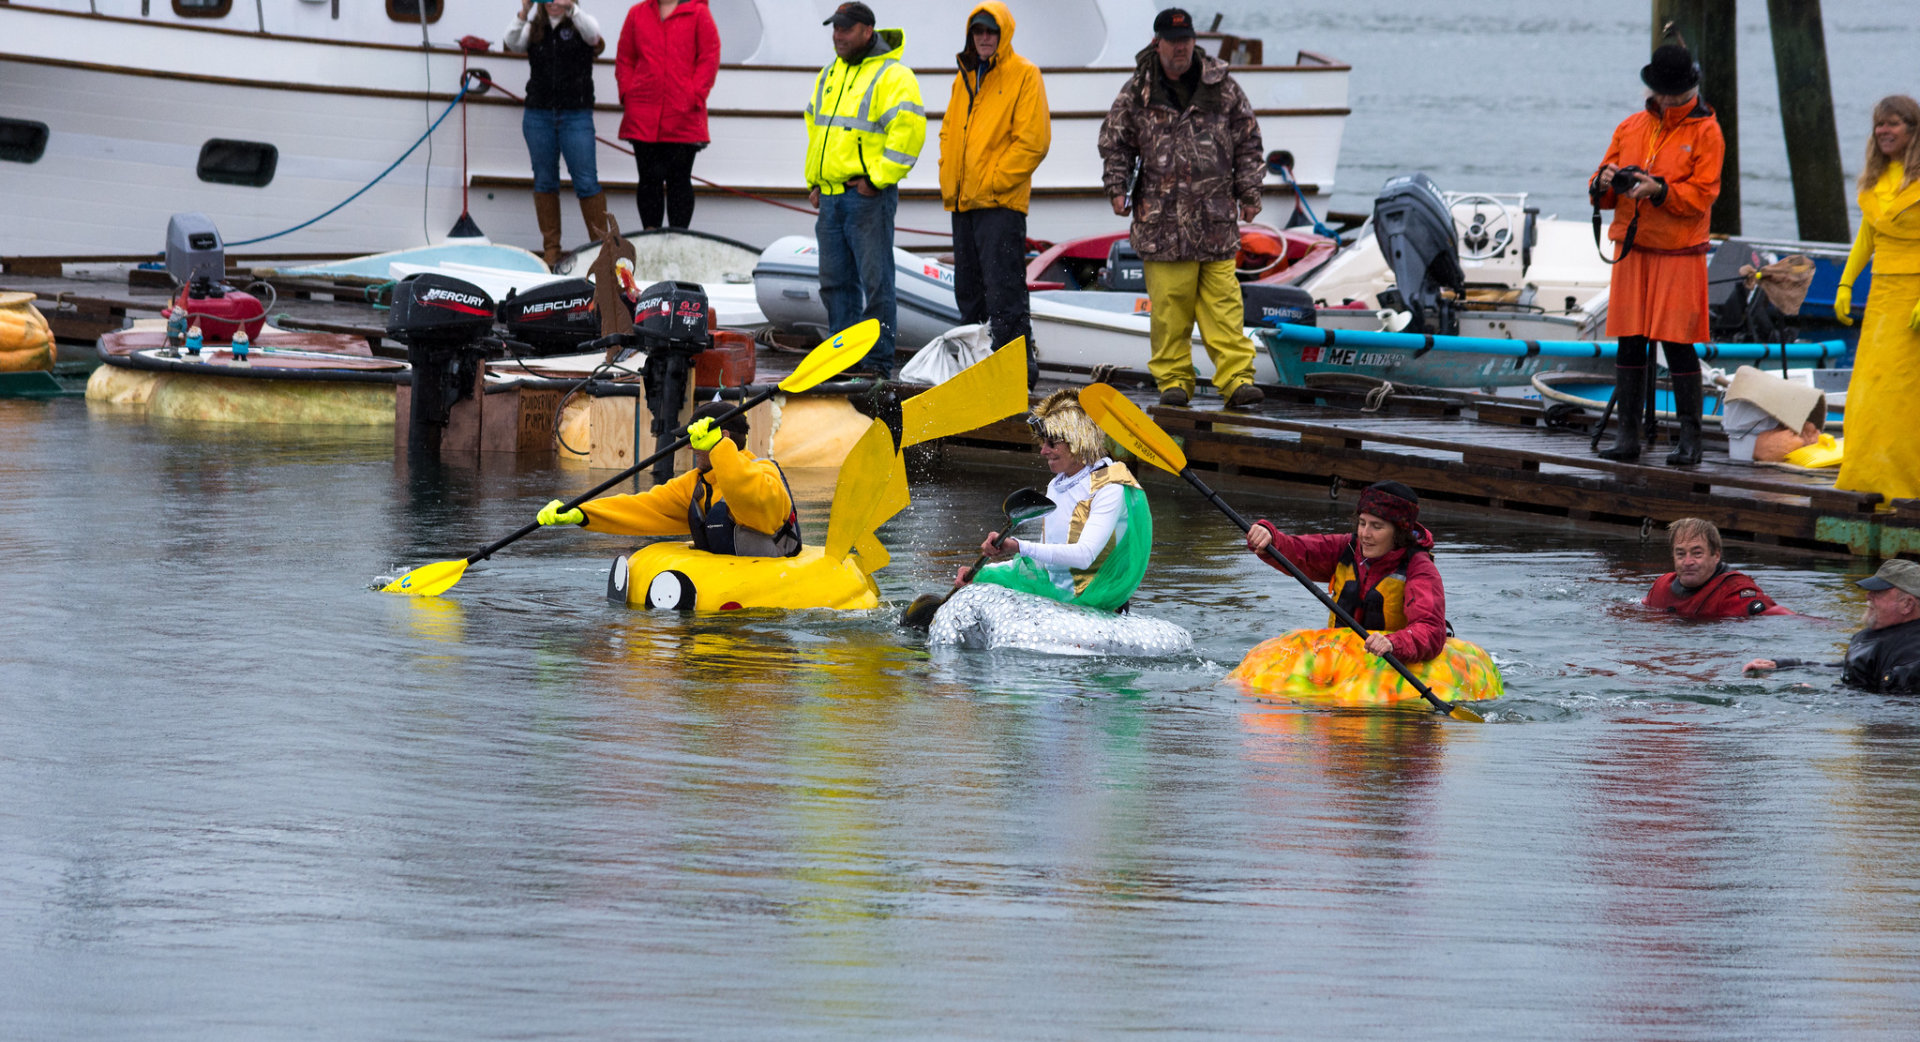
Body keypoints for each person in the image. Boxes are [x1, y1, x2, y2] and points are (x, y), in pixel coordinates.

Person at [1097, 7, 1266, 411]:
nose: (1181, 49)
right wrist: (1117, 188)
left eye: (1187, 41)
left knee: (1224, 307)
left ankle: (1237, 381)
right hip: (1162, 224)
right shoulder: (1136, 91)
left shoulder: (1223, 87)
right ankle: (1174, 382)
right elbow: (1115, 143)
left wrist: (1250, 194)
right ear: (1157, 44)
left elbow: (1248, 141)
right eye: (1173, 42)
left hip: (1216, 220)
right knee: (1170, 311)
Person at [1589, 42, 1725, 465]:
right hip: (1632, 247)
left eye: (1675, 92)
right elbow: (1600, 183)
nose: (1667, 99)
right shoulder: (1630, 126)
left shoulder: (1707, 132)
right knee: (1629, 340)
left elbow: (1703, 195)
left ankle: (1690, 439)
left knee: (1678, 342)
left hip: (1679, 252)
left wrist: (1660, 189)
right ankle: (1627, 434)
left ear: (1690, 88)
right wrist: (1604, 182)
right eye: (1663, 91)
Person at [804, 2, 927, 379]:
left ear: (867, 30)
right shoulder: (830, 74)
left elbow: (909, 133)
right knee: (835, 284)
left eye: (846, 29)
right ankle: (842, 359)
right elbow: (816, 125)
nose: (838, 36)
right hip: (833, 196)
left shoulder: (894, 75)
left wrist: (877, 179)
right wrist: (816, 181)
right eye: (835, 28)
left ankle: (876, 362)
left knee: (876, 284)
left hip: (866, 197)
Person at [938, 3, 1049, 387]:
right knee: (968, 291)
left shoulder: (1024, 74)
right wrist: (949, 177)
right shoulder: (963, 77)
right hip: (963, 202)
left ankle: (1017, 373)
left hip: (999, 204)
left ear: (1004, 35)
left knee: (1005, 291)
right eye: (978, 31)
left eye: (991, 31)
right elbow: (949, 132)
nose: (984, 38)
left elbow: (1033, 142)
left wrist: (992, 181)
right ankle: (975, 372)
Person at [960, 390, 1152, 611]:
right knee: (975, 583)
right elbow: (1046, 561)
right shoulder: (1057, 484)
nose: (1043, 451)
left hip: (1097, 600)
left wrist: (1018, 546)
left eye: (1052, 443)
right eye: (1043, 442)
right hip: (1054, 591)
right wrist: (979, 571)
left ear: (1078, 440)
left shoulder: (1110, 488)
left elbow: (1084, 556)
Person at [535, 402, 801, 558]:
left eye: (696, 441)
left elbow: (753, 504)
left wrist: (721, 448)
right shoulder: (696, 483)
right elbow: (642, 507)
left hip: (773, 571)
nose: (689, 447)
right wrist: (579, 513)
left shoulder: (764, 472)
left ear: (725, 439)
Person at [1244, 481, 1447, 662]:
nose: (1365, 534)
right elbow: (1298, 551)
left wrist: (1393, 643)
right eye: (1362, 523)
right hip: (1342, 658)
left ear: (1399, 533)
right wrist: (1269, 535)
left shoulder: (1420, 569)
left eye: (1377, 527)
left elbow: (1430, 628)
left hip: (1387, 659)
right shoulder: (1347, 548)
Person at [1833, 96, 1920, 503]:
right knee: (1869, 392)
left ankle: (1904, 486)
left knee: (1905, 395)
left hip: (1915, 296)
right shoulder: (1876, 176)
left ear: (1913, 129)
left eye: (1893, 124)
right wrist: (1846, 284)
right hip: (1882, 295)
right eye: (1878, 125)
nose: (1883, 131)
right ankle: (1866, 479)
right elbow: (1868, 236)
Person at [503, 0, 612, 271]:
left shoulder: (580, 23)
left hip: (576, 115)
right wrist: (524, 11)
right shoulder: (534, 28)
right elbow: (511, 41)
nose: (553, 2)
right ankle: (551, 250)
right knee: (544, 181)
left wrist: (571, 8)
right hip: (538, 115)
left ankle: (602, 249)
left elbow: (594, 35)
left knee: (586, 182)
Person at [614, 0, 720, 231]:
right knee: (648, 181)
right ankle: (650, 237)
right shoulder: (637, 14)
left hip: (684, 117)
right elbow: (625, 58)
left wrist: (693, 95)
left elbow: (709, 58)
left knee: (679, 181)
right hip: (642, 115)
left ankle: (677, 238)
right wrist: (629, 94)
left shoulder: (699, 14)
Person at [1743, 559, 1920, 694]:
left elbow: (1891, 707)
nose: (1867, 596)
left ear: (1907, 604)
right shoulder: (1879, 637)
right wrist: (1785, 665)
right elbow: (1853, 669)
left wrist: (1822, 695)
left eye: (1878, 593)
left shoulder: (1913, 657)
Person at [1644, 518, 1791, 618]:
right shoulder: (1661, 587)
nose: (1688, 562)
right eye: (1681, 554)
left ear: (1716, 555)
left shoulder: (1733, 592)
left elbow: (1777, 615)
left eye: (1697, 553)